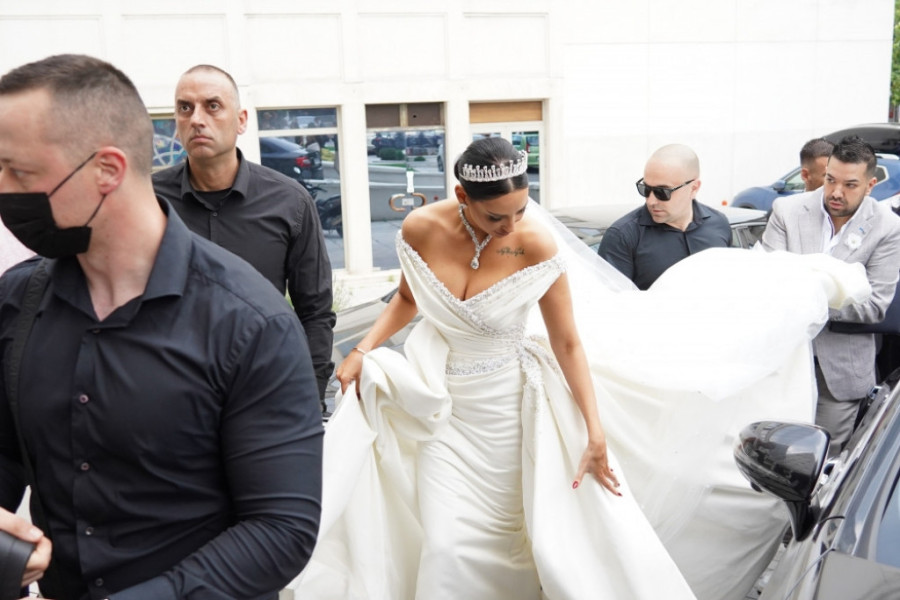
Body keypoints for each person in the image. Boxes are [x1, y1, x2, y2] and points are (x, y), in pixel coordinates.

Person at [0, 54, 323, 598]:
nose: (4, 188)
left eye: (20, 172)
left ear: (107, 170)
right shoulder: (16, 301)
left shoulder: (251, 324)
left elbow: (280, 530)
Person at [153, 65, 336, 408]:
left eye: (212, 106)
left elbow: (315, 313)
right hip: (171, 398)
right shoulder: (148, 202)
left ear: (241, 120)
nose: (196, 119)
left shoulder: (290, 202)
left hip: (265, 393)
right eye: (185, 108)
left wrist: (309, 396)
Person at [761, 135, 900, 454]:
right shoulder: (786, 210)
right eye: (830, 180)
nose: (836, 192)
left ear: (870, 185)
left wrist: (809, 299)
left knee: (822, 461)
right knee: (773, 457)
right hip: (780, 364)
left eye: (850, 185)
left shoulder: (888, 228)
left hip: (840, 373)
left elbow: (874, 306)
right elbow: (768, 283)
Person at [598, 144, 732, 289]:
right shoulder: (623, 236)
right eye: (646, 189)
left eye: (662, 192)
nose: (651, 201)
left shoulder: (719, 224)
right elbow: (611, 300)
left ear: (694, 188)